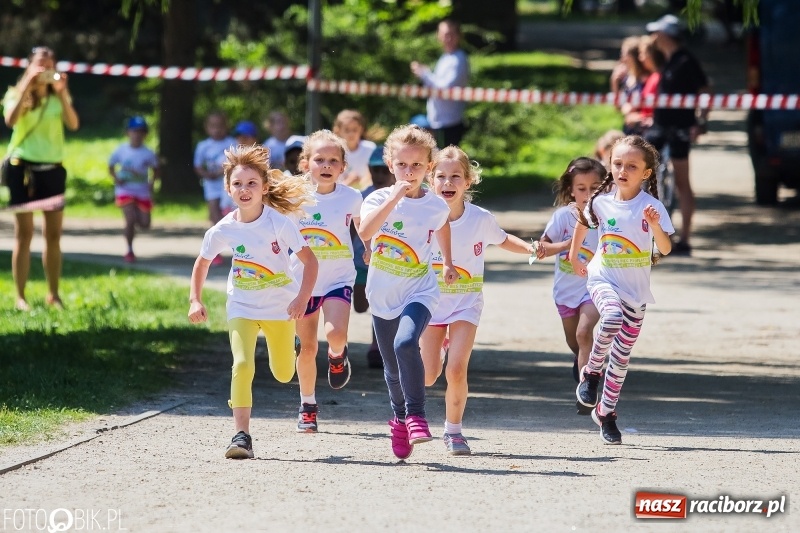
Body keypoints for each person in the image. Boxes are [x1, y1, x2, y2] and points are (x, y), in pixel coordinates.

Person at [187, 144, 318, 459]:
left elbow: (310, 262)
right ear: (227, 188)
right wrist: (195, 299)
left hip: (280, 308)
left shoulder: (279, 223)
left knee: (284, 373)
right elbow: (202, 263)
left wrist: (302, 298)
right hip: (242, 307)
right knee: (242, 365)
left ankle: (291, 350)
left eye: (251, 184)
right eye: (237, 184)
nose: (244, 190)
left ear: (264, 187)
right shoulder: (224, 228)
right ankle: (241, 436)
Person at [419, 146, 535, 456]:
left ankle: (453, 431)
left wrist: (530, 248)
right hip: (428, 305)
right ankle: (438, 351)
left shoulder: (480, 219)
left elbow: (502, 238)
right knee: (428, 375)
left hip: (465, 305)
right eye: (441, 176)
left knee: (456, 369)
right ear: (430, 180)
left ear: (468, 181)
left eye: (456, 176)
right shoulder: (422, 216)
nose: (448, 182)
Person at [358, 124, 458, 460]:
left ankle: (416, 415)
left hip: (421, 289)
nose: (409, 171)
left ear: (429, 168)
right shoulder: (376, 198)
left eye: (417, 166)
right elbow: (366, 230)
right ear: (390, 166)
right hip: (383, 294)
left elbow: (441, 225)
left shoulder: (435, 205)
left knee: (405, 343)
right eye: (402, 165)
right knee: (391, 367)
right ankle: (399, 419)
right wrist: (394, 197)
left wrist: (447, 262)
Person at [570, 135, 674, 445]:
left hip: (636, 291)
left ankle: (606, 411)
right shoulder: (600, 202)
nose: (622, 170)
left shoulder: (652, 206)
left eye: (631, 166)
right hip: (603, 278)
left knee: (622, 358)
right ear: (609, 166)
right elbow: (583, 222)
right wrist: (576, 255)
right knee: (611, 318)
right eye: (617, 164)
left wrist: (655, 227)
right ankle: (590, 373)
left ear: (646, 173)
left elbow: (666, 248)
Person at [291, 130, 365, 432]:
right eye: (318, 159)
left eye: (333, 160)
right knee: (306, 349)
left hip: (338, 277)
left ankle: (337, 356)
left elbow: (363, 227)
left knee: (336, 335)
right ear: (305, 163)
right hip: (301, 282)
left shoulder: (351, 197)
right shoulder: (293, 197)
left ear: (343, 166)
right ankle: (307, 405)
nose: (326, 165)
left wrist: (371, 249)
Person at [2, 46, 79, 311]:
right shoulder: (15, 93)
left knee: (53, 235)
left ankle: (53, 294)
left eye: (49, 66)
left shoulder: (58, 97)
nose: (45, 71)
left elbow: (73, 124)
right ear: (29, 67)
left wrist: (63, 93)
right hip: (22, 170)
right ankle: (20, 297)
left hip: (53, 170)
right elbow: (10, 121)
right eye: (39, 66)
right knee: (23, 235)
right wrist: (26, 85)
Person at [535, 158, 605, 395]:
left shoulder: (608, 217)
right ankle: (584, 361)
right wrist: (568, 244)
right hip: (565, 292)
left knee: (584, 332)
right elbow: (541, 249)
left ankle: (587, 387)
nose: (588, 195)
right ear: (571, 191)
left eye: (594, 188)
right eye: (581, 189)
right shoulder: (563, 217)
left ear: (605, 188)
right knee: (574, 342)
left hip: (594, 288)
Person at [645, 14, 710, 255]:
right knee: (640, 172)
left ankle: (685, 238)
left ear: (665, 35)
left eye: (656, 33)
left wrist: (701, 121)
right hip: (660, 128)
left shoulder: (686, 61)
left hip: (680, 128)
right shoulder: (668, 61)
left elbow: (705, 90)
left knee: (682, 182)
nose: (652, 37)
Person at [351, 145, 396, 369]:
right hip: (360, 261)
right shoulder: (362, 196)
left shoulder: (399, 197)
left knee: (381, 303)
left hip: (387, 262)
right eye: (375, 171)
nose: (379, 176)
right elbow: (352, 226)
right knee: (360, 305)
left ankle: (377, 346)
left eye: (383, 171)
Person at [107, 116, 159, 263]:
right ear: (127, 133)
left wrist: (152, 182)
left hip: (142, 190)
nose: (137, 135)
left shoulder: (147, 153)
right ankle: (129, 250)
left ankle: (137, 216)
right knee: (130, 220)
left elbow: (156, 169)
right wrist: (117, 178)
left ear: (145, 134)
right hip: (125, 190)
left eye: (141, 132)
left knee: (145, 224)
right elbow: (111, 166)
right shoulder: (121, 150)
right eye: (134, 131)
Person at [410, 19, 470, 148]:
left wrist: (424, 73)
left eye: (451, 34)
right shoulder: (445, 58)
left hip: (449, 122)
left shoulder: (458, 59)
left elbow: (444, 89)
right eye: (444, 35)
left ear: (459, 36)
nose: (447, 38)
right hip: (437, 121)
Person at [194, 110, 236, 265]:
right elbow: (197, 166)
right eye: (213, 126)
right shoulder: (203, 145)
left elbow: (236, 162)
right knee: (214, 215)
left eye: (220, 126)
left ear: (226, 126)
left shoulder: (232, 143)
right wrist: (205, 174)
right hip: (211, 186)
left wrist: (222, 171)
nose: (217, 129)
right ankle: (214, 250)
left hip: (229, 186)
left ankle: (236, 247)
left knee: (231, 215)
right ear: (206, 127)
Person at [620, 36, 666, 137]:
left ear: (651, 55)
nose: (641, 58)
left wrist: (638, 118)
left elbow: (660, 112)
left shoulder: (659, 78)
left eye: (643, 53)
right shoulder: (653, 77)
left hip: (652, 134)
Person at [333, 109, 377, 189]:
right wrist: (349, 181)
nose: (351, 134)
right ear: (338, 131)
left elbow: (373, 176)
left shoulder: (370, 148)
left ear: (361, 129)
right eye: (347, 130)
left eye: (354, 130)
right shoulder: (333, 151)